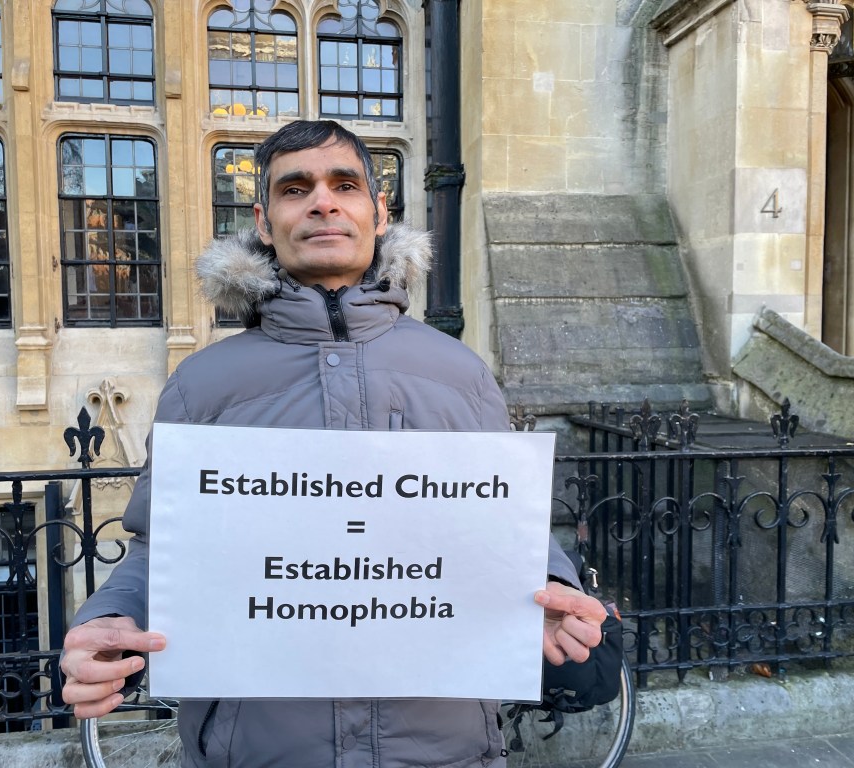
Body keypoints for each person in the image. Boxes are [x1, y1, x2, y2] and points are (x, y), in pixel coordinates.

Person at [60, 120, 606, 767]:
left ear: (379, 212)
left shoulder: (461, 374)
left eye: (344, 185)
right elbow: (164, 550)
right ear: (264, 222)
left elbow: (499, 530)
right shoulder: (201, 384)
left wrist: (548, 586)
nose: (322, 202)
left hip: (443, 750)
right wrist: (112, 615)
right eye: (296, 189)